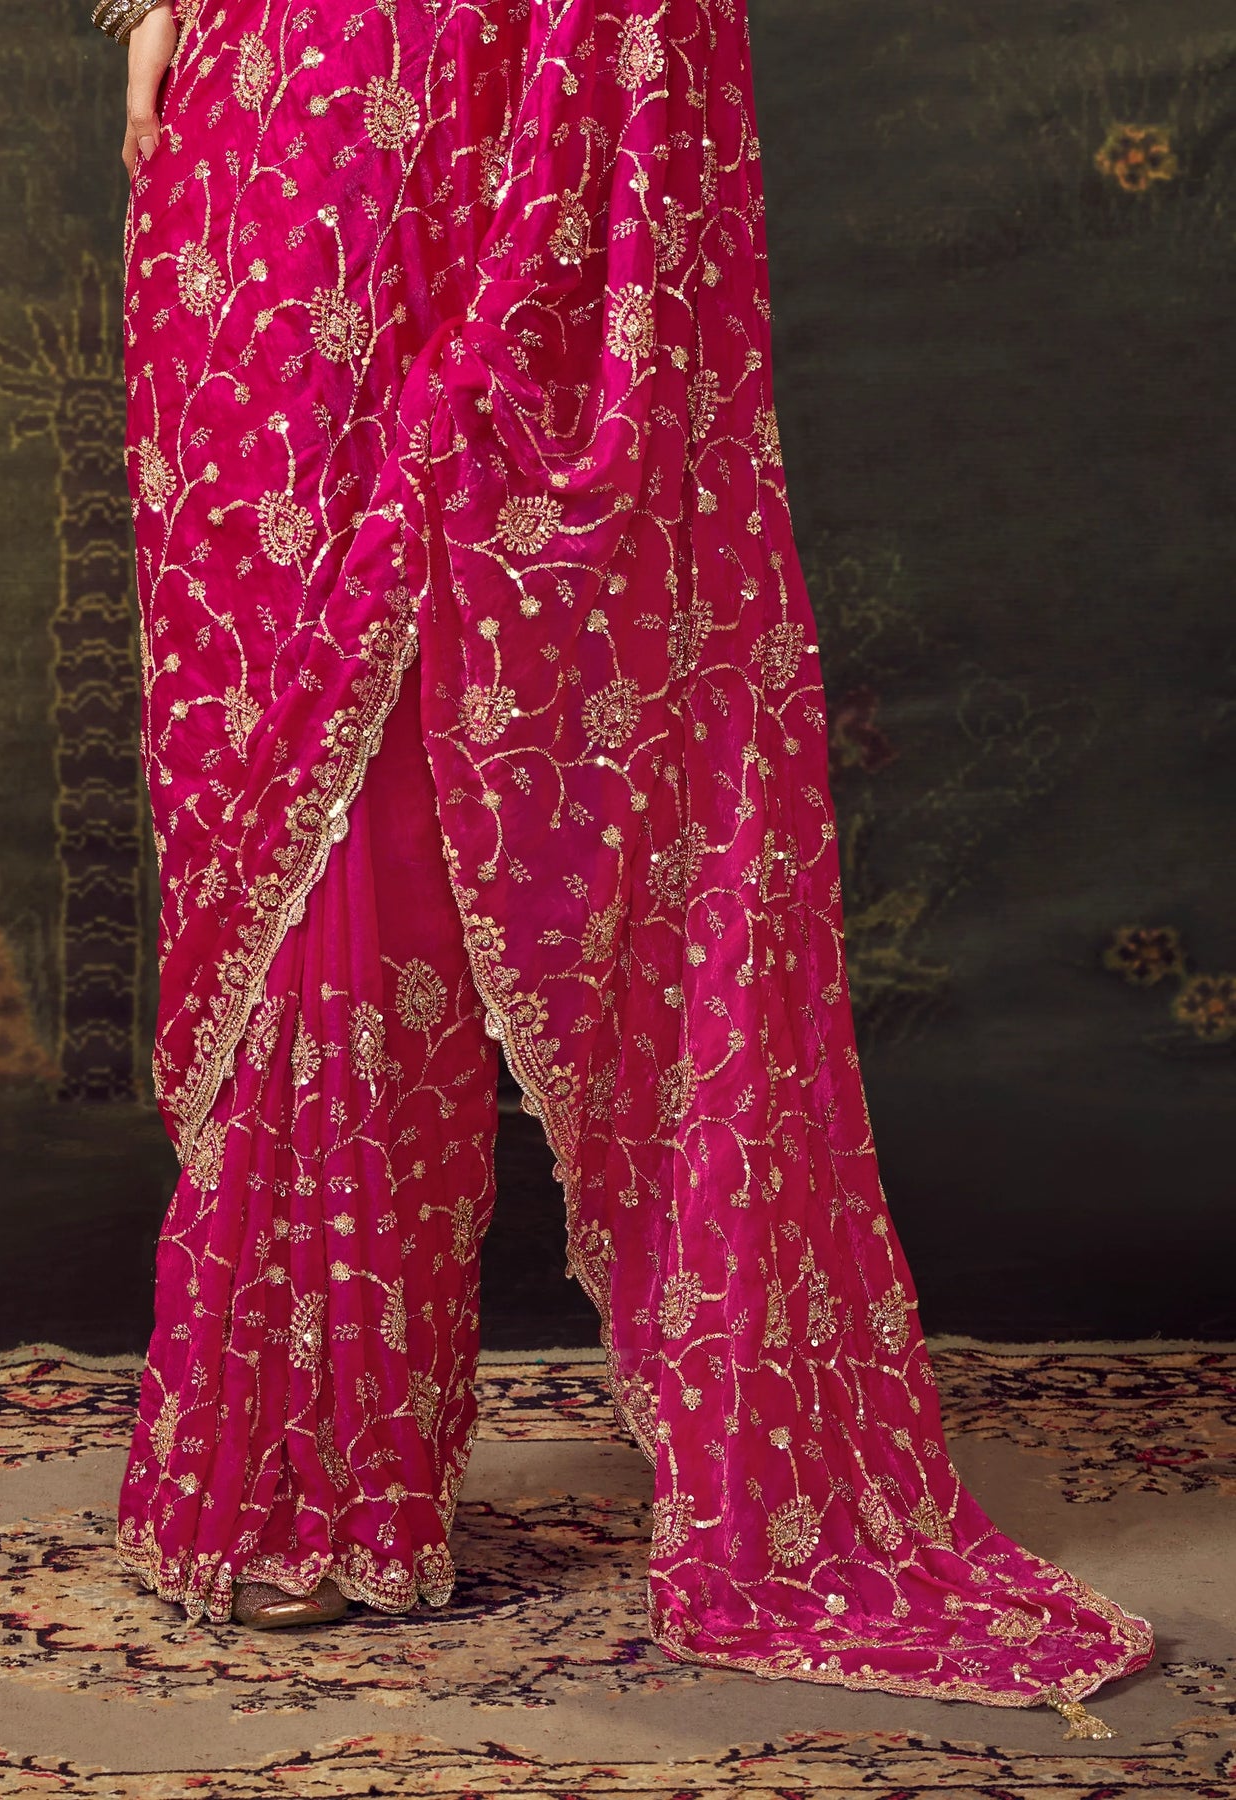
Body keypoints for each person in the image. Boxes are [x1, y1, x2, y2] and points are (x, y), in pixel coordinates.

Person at [97, 0, 1152, 1725]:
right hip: (279, 126)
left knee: (410, 752)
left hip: (542, 81)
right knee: (291, 769)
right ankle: (295, 1468)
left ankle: (329, 1479)